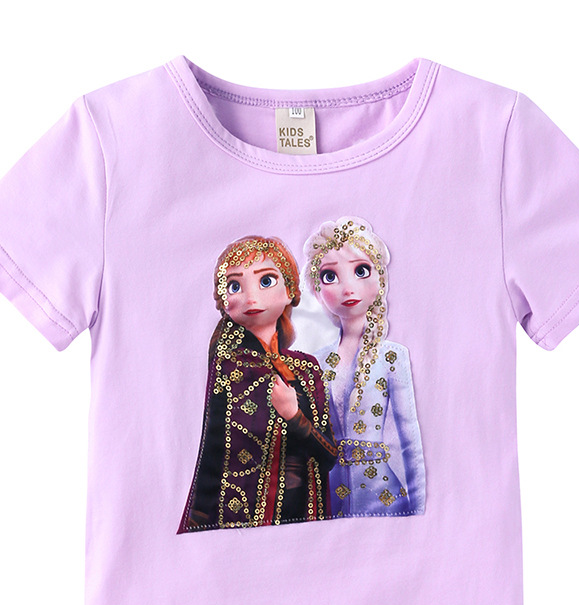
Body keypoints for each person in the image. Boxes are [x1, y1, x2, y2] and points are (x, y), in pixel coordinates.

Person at [177, 235, 338, 533]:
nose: (251, 297)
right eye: (234, 285)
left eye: (266, 281)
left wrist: (294, 416)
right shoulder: (228, 366)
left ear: (290, 291)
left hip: (307, 518)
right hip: (244, 523)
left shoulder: (306, 368)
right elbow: (212, 454)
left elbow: (329, 455)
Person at [303, 216, 426, 518]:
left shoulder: (391, 357)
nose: (348, 288)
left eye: (361, 271)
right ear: (317, 290)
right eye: (330, 276)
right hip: (329, 500)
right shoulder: (315, 361)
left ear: (380, 279)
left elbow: (409, 440)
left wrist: (419, 511)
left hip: (383, 498)